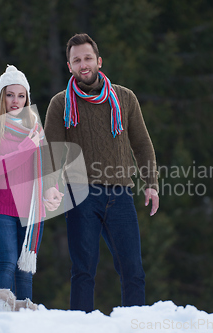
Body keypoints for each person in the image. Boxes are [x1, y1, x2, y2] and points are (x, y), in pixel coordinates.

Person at [43, 33, 160, 313]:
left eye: (87, 58)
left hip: (120, 194)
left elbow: (141, 144)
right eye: (76, 60)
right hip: (81, 196)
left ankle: (134, 326)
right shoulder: (60, 104)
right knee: (83, 271)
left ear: (98, 60)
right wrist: (50, 185)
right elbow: (50, 152)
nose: (83, 65)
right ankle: (81, 328)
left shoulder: (124, 98)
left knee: (133, 270)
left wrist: (151, 183)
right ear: (69, 66)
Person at [0, 65, 44, 312]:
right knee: (6, 262)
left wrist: (53, 190)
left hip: (30, 209)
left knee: (24, 271)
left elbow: (45, 169)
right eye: (10, 94)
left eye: (21, 95)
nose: (16, 101)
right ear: (0, 96)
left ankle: (23, 320)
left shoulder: (34, 129)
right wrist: (25, 148)